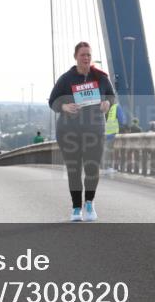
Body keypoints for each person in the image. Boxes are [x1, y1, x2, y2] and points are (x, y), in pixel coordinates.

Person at [49, 41, 116, 222]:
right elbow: (52, 101)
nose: (86, 58)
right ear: (75, 57)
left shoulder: (101, 78)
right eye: (82, 55)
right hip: (69, 132)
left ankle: (89, 203)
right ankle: (76, 207)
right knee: (74, 170)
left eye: (88, 55)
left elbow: (112, 96)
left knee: (92, 168)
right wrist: (64, 106)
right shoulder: (66, 79)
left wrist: (107, 103)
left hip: (94, 131)